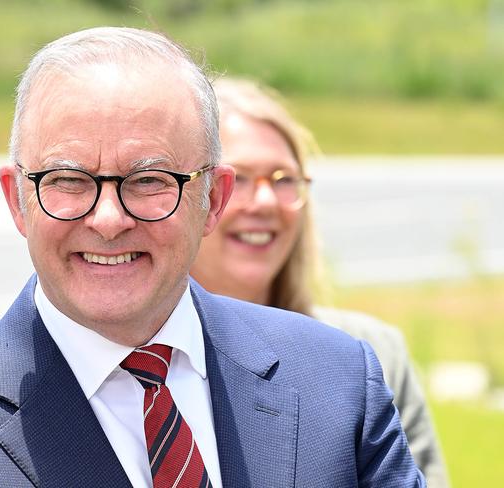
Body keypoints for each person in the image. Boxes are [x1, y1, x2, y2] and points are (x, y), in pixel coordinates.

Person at [0, 27, 424, 487]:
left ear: (214, 200)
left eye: (149, 179)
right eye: (68, 179)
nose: (107, 219)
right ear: (17, 199)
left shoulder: (338, 382)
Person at [191, 77, 448, 487]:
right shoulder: (150, 361)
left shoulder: (371, 355)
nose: (265, 202)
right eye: (238, 179)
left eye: (283, 179)